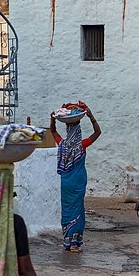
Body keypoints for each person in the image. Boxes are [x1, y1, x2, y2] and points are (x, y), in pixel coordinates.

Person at [50, 103, 101, 252]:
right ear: (78, 131)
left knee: (67, 210)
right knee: (78, 210)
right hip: (78, 182)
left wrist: (52, 119)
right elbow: (97, 132)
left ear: (67, 130)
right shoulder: (82, 145)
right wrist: (91, 116)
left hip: (66, 183)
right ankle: (74, 244)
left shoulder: (62, 144)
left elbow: (53, 131)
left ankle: (68, 240)